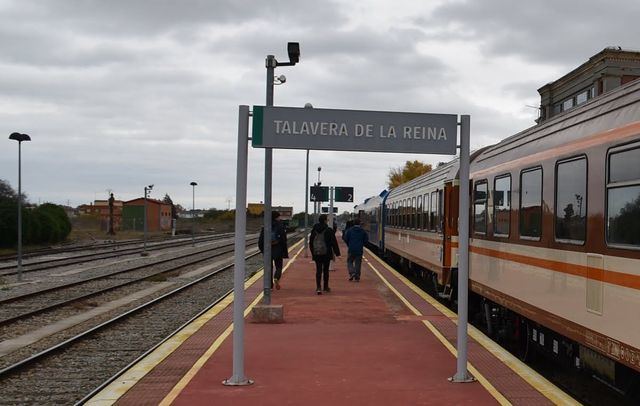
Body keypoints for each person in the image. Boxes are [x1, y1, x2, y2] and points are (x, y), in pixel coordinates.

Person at [310, 214, 340, 295]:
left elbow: (311, 243)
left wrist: (313, 253)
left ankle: (318, 287)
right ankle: (326, 287)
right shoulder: (329, 230)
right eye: (327, 219)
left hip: (317, 253)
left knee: (318, 270)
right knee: (326, 270)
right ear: (325, 220)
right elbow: (334, 242)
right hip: (327, 253)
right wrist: (337, 253)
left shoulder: (314, 230)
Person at [258, 211, 288, 290]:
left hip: (267, 249)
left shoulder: (266, 226)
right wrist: (284, 250)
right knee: (278, 266)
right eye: (279, 217)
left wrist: (263, 250)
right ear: (276, 217)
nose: (279, 218)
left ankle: (270, 286)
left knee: (268, 268)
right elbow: (284, 239)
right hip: (278, 249)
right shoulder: (280, 226)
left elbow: (261, 240)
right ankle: (276, 278)